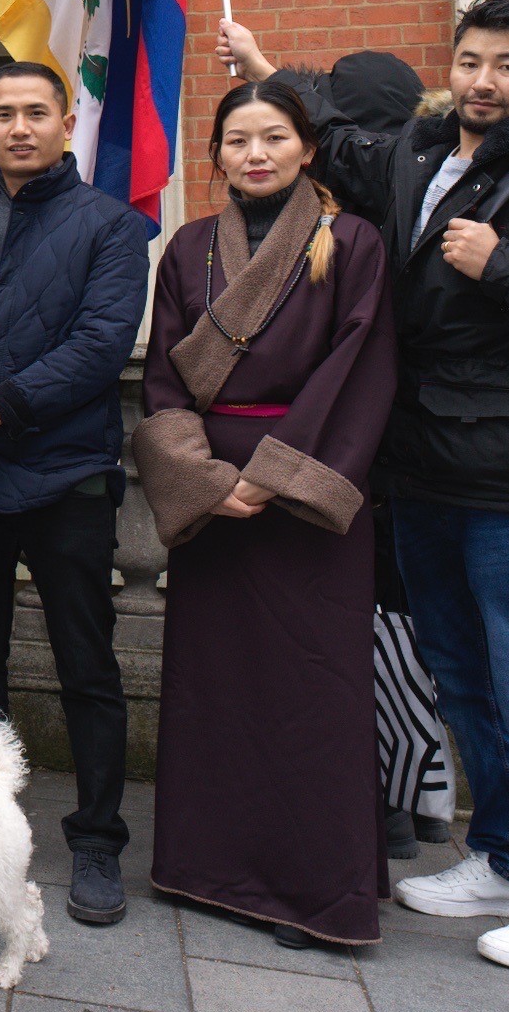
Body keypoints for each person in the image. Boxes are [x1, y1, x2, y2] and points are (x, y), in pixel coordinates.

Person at [222, 0, 509, 975]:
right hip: (425, 471)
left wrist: (506, 262)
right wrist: (266, 63)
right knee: (466, 681)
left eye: (505, 64)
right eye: (469, 60)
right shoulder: (427, 158)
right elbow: (339, 143)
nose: (481, 79)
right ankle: (507, 858)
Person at [130, 79, 398, 948]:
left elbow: (360, 367)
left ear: (307, 147)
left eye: (274, 136)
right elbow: (164, 380)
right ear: (215, 156)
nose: (256, 153)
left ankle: (318, 891)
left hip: (304, 490)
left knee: (311, 687)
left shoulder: (349, 242)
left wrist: (275, 476)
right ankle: (206, 868)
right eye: (238, 139)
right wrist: (207, 481)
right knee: (217, 685)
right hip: (215, 496)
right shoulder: (190, 248)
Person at [0, 62, 150, 926]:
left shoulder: (111, 226)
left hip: (63, 474)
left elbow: (99, 343)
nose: (18, 126)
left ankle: (97, 839)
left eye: (35, 112)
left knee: (87, 665)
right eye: (1, 113)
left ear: (66, 118)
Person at [289, 50, 457, 858]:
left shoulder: (355, 219)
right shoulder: (415, 186)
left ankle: (393, 787)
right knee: (398, 625)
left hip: (369, 449)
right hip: (402, 448)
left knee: (371, 622)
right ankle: (412, 791)